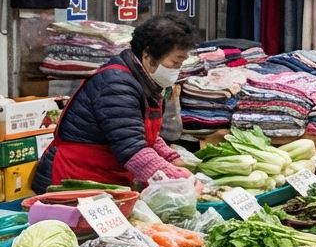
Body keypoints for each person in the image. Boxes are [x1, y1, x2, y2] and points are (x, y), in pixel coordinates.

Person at [33, 14, 198, 191]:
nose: (177, 69)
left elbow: (136, 129)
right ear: (148, 55)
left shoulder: (144, 81)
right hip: (72, 177)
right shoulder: (116, 84)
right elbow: (132, 149)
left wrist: (170, 157)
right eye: (175, 62)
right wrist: (179, 178)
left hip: (104, 177)